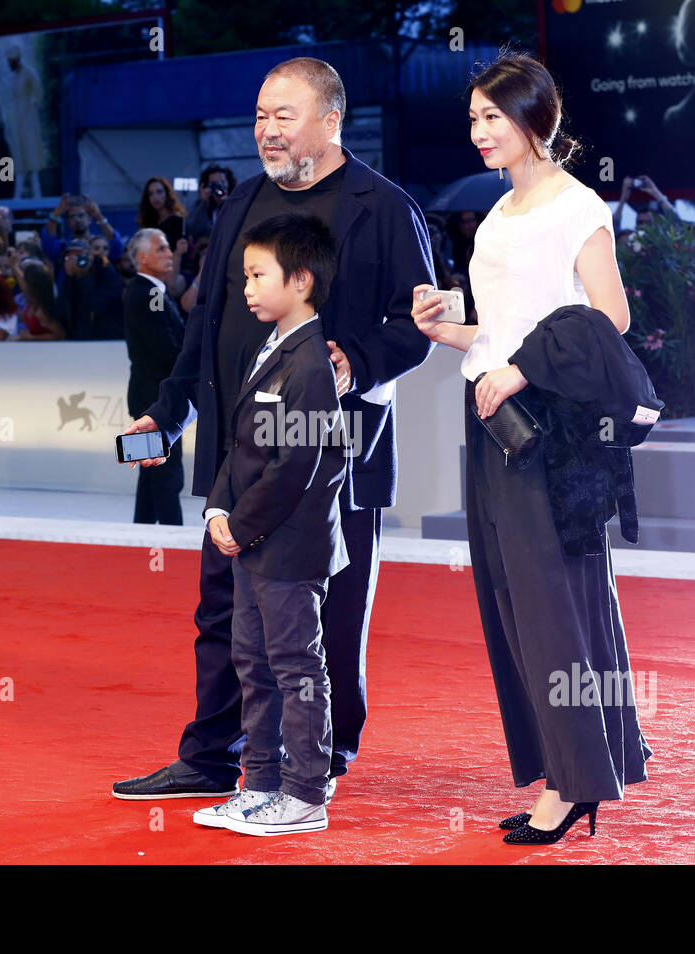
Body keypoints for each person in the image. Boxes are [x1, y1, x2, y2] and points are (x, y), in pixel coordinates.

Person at [113, 56, 434, 803]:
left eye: (282, 115)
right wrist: (167, 411)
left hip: (335, 454)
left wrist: (353, 363)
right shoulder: (239, 207)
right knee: (223, 610)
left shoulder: (385, 209)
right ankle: (211, 755)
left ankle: (319, 758)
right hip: (240, 458)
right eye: (259, 116)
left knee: (331, 613)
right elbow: (208, 331)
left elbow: (412, 331)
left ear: (330, 120)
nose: (265, 130)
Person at [411, 52, 652, 845]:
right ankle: (575, 766)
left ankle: (575, 782)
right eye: (473, 118)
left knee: (553, 608)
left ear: (535, 119)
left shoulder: (575, 205)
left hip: (550, 431)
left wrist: (520, 369)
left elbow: (608, 319)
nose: (479, 132)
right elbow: (506, 330)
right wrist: (452, 332)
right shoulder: (497, 215)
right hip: (493, 422)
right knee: (517, 609)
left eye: (493, 117)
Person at [193, 213, 348, 835]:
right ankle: (259, 783)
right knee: (253, 665)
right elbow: (241, 446)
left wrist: (240, 524)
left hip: (289, 547)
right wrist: (217, 508)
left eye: (259, 275)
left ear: (301, 281)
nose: (248, 287)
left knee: (296, 669)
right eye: (245, 275)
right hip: (257, 543)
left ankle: (306, 792)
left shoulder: (310, 363)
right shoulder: (273, 349)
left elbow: (296, 469)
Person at [122, 229, 186, 525]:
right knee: (164, 475)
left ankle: (142, 536)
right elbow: (167, 348)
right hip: (154, 400)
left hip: (151, 397)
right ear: (142, 257)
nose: (169, 253)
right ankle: (173, 542)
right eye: (161, 249)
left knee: (152, 476)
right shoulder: (146, 293)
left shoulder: (151, 291)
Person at [3, 45, 43, 199]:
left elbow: (38, 92)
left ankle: (37, 195)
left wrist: (31, 105)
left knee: (32, 154)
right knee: (19, 156)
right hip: (17, 118)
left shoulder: (29, 73)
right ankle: (17, 195)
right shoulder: (12, 77)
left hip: (29, 118)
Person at [15, 262, 64, 340]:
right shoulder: (32, 301)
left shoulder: (42, 311)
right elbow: (22, 283)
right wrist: (14, 266)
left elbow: (59, 335)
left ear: (32, 285)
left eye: (25, 280)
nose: (23, 282)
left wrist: (31, 337)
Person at [138, 176, 187, 250]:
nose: (155, 197)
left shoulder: (177, 221)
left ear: (167, 193)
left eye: (159, 192)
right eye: (151, 193)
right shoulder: (148, 222)